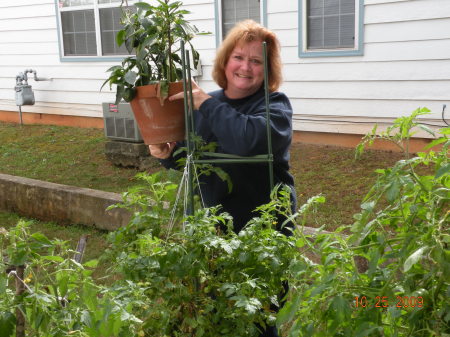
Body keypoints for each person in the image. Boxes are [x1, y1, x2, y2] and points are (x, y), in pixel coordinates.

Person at [149, 20, 295, 336]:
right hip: (216, 233)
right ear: (225, 61)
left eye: (257, 61)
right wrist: (164, 153)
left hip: (264, 236)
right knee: (218, 313)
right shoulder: (206, 105)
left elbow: (246, 141)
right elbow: (188, 158)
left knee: (259, 317)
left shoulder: (274, 106)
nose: (246, 67)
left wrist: (205, 103)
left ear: (267, 70)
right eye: (239, 57)